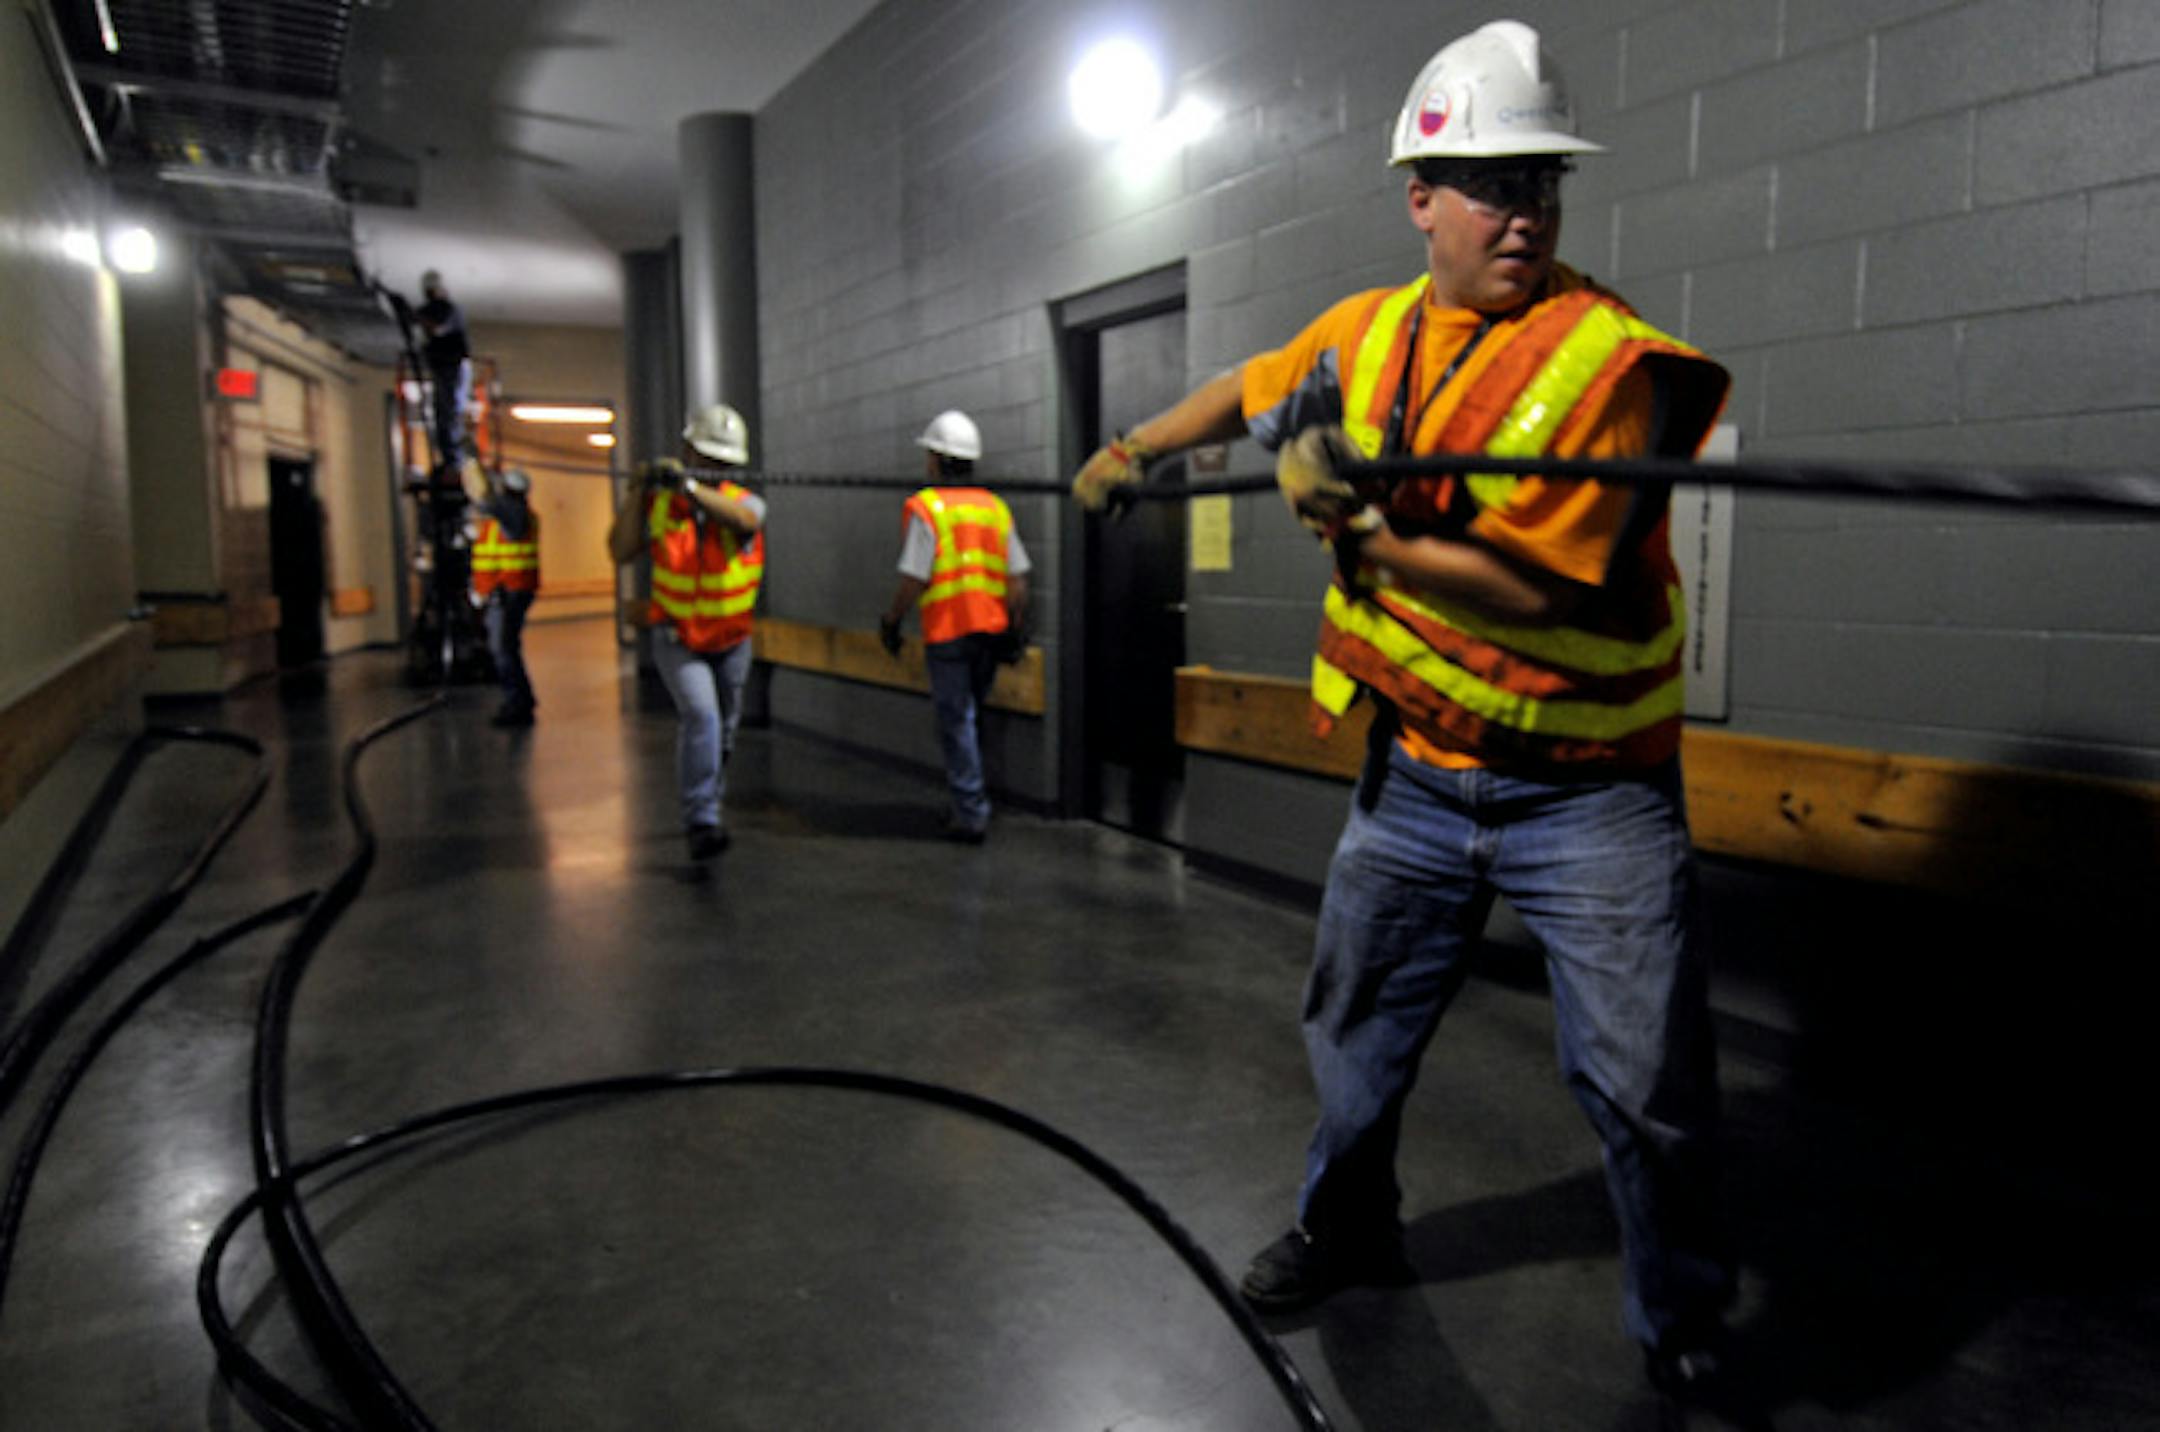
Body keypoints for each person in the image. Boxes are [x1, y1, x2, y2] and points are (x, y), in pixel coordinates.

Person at [1070, 19, 1741, 1406]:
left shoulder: (1609, 370)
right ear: (1421, 196)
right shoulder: (1366, 335)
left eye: (1543, 183)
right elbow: (1249, 389)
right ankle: (1349, 1227)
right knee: (1355, 1032)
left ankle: (1679, 1315)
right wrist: (1134, 448)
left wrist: (1351, 526)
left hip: (1590, 796)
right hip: (1419, 783)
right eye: (1493, 184)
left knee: (1644, 1090)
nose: (1526, 212)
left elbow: (1531, 588)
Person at [609, 402, 766, 860]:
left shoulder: (744, 501)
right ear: (688, 450)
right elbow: (620, 551)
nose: (715, 467)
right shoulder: (662, 504)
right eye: (706, 457)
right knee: (703, 718)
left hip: (732, 640)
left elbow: (743, 522)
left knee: (725, 733)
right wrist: (638, 492)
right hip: (679, 638)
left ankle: (709, 799)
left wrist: (690, 486)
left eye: (722, 462)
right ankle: (701, 819)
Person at [877, 410, 1032, 843]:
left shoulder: (928, 507)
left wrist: (892, 620)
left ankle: (970, 813)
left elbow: (915, 576)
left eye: (929, 455)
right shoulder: (995, 508)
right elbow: (1017, 577)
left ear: (939, 461)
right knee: (970, 716)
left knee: (956, 720)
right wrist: (1016, 626)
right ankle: (970, 802)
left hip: (948, 633)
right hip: (991, 631)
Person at [462, 460, 541, 726]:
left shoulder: (513, 513)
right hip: (505, 591)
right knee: (506, 646)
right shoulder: (508, 515)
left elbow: (487, 504)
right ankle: (522, 697)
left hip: (509, 592)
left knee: (502, 648)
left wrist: (473, 468)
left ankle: (516, 701)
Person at [417, 269, 471, 468]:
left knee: (449, 411)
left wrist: (419, 320)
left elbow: (437, 329)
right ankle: (451, 457)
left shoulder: (448, 309)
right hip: (444, 364)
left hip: (452, 365)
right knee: (444, 411)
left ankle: (453, 458)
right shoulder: (435, 308)